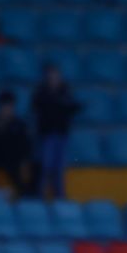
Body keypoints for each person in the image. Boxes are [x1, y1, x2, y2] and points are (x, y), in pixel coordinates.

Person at [30, 62, 80, 199]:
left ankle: (60, 198)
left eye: (55, 75)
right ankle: (39, 196)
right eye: (51, 75)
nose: (53, 78)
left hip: (61, 135)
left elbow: (71, 107)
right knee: (45, 167)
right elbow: (36, 109)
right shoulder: (41, 92)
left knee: (59, 169)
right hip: (46, 135)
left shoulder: (65, 91)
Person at [0, 91, 32, 196]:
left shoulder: (20, 124)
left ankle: (25, 196)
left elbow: (26, 145)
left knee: (27, 170)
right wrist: (1, 127)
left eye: (9, 106)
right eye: (4, 106)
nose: (6, 109)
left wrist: (25, 161)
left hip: (16, 159)